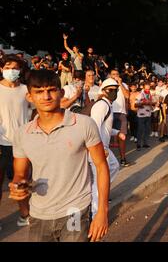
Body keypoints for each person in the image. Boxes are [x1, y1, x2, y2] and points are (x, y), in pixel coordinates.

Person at [9, 70, 109, 242]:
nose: (46, 96)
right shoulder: (22, 134)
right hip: (39, 213)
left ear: (61, 93)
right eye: (39, 92)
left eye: (51, 90)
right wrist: (18, 185)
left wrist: (102, 212)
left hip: (75, 210)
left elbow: (101, 166)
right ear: (30, 97)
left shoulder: (84, 124)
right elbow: (20, 173)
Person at [0, 55, 31, 228]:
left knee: (22, 183)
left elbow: (35, 111)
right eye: (7, 66)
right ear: (1, 69)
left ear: (20, 70)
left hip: (22, 145)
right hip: (1, 145)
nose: (11, 70)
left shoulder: (26, 90)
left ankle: (24, 215)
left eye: (15, 67)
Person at [89, 78, 121, 217]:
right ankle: (95, 213)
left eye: (116, 90)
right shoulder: (101, 105)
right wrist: (100, 147)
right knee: (98, 181)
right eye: (111, 90)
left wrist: (117, 132)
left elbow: (104, 126)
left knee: (113, 167)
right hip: (98, 148)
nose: (114, 92)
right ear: (103, 91)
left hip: (104, 147)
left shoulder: (109, 105)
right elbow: (94, 126)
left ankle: (102, 192)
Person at [110, 69, 130, 167]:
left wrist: (120, 84)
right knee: (107, 137)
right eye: (113, 74)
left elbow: (127, 96)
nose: (115, 76)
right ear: (110, 75)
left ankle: (123, 158)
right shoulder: (106, 83)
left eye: (117, 74)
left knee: (122, 137)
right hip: (110, 112)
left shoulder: (124, 85)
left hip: (121, 113)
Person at [135, 82, 153, 150]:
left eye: (149, 89)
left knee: (147, 130)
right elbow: (135, 105)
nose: (148, 90)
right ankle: (138, 144)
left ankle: (145, 143)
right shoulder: (140, 95)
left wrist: (152, 104)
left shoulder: (150, 94)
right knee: (140, 130)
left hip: (148, 114)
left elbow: (151, 103)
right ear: (143, 88)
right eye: (146, 89)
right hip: (141, 115)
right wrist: (143, 103)